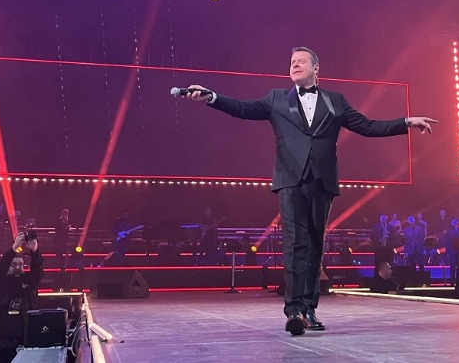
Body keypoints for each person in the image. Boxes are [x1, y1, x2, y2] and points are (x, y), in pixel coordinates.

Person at [182, 46, 437, 335]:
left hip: (322, 182)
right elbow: (242, 108)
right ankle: (293, 310)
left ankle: (309, 309)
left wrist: (405, 122)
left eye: (301, 61)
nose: (294, 65)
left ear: (316, 68)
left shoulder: (335, 101)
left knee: (315, 246)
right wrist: (212, 97)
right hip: (290, 180)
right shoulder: (276, 98)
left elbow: (367, 126)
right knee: (294, 245)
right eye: (292, 62)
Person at [0, 232, 43, 362]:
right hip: (4, 338)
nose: (18, 268)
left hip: (26, 335)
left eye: (21, 265)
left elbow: (37, 272)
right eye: (14, 265)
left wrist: (34, 252)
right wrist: (13, 249)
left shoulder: (28, 281)